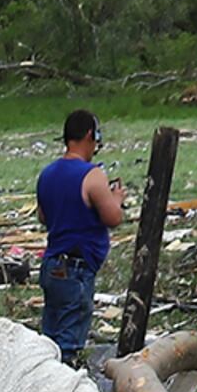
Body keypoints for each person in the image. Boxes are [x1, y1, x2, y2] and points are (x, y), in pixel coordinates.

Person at [35, 109, 129, 365]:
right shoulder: (92, 175)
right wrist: (116, 199)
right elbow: (113, 218)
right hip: (75, 270)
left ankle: (42, 384)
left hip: (52, 264)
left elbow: (44, 217)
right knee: (67, 346)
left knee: (49, 340)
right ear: (90, 135)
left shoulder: (47, 174)